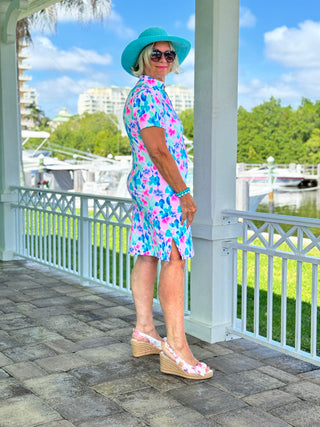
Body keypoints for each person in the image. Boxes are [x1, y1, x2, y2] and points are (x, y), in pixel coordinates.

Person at [121, 27, 212, 380]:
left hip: (147, 186)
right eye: (155, 54)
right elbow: (158, 149)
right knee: (174, 257)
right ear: (143, 59)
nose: (163, 60)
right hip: (161, 190)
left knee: (148, 252)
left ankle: (145, 330)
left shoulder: (154, 94)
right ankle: (176, 347)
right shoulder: (146, 95)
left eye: (169, 55)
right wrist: (184, 193)